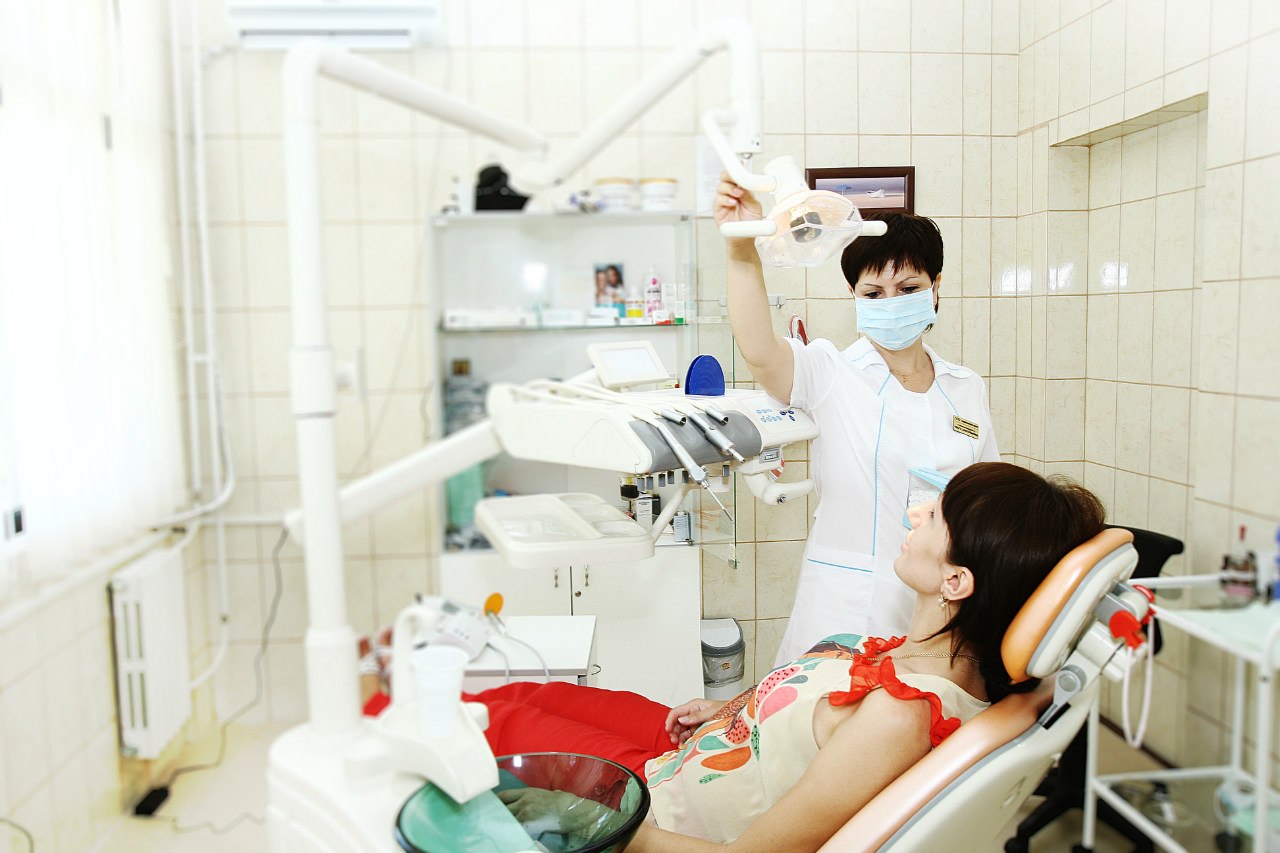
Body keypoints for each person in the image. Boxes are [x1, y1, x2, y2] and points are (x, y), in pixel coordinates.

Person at [362, 463, 1105, 850]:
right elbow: (817, 733)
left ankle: (366, 721)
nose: (915, 511)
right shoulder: (923, 658)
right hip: (694, 744)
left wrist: (605, 827)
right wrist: (738, 708)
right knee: (529, 695)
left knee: (488, 728)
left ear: (957, 581)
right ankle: (392, 692)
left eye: (934, 513)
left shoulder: (901, 717)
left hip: (657, 808)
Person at [714, 175, 1001, 665]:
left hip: (942, 603)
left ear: (935, 288)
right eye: (873, 293)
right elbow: (759, 350)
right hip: (847, 606)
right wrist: (741, 248)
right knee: (828, 710)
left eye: (908, 288)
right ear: (853, 295)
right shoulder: (831, 372)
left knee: (924, 709)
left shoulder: (965, 387)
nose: (891, 303)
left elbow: (989, 498)